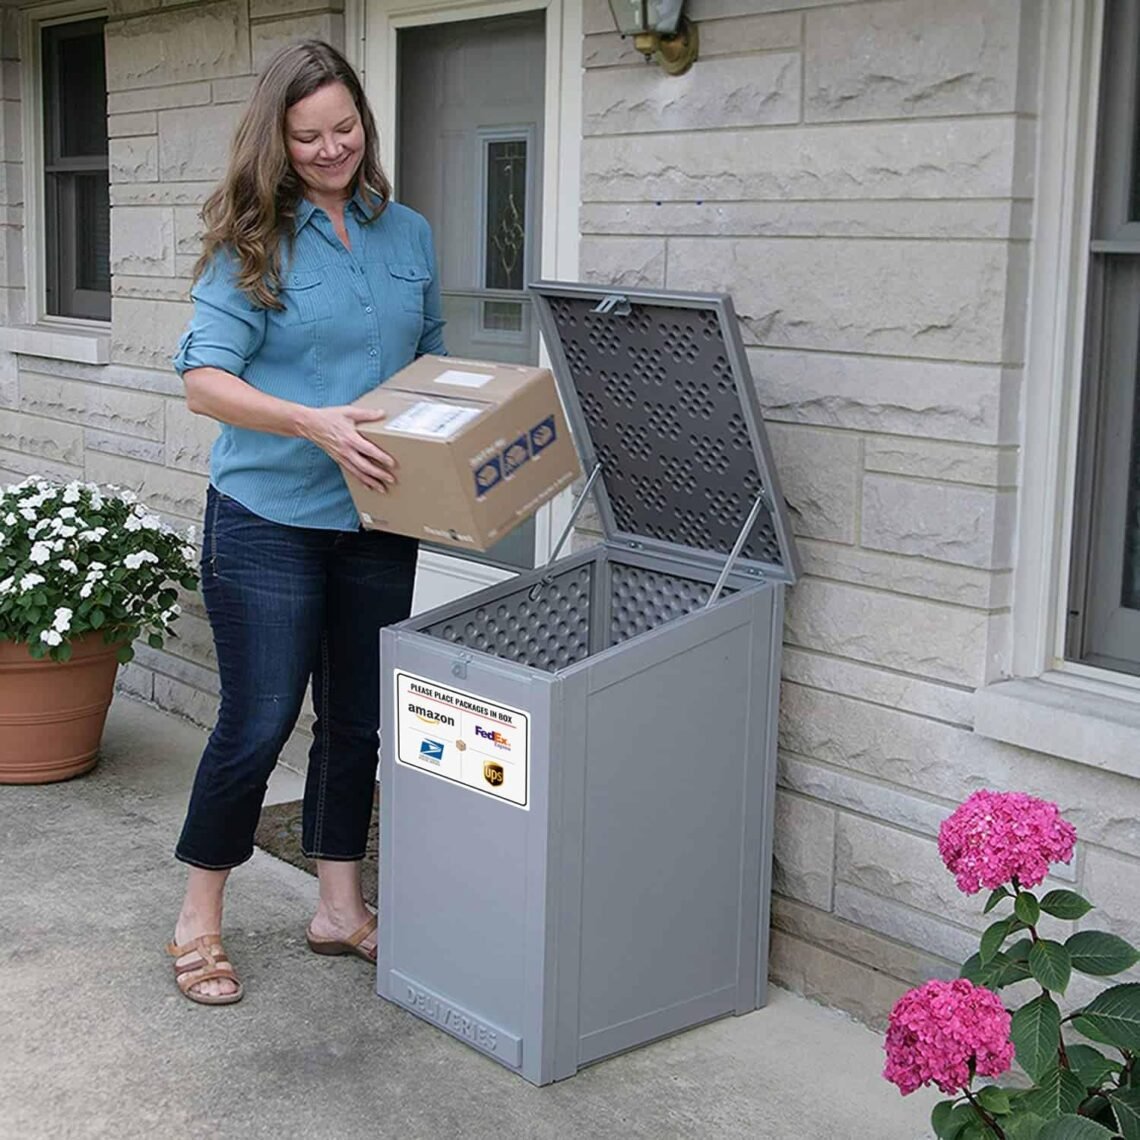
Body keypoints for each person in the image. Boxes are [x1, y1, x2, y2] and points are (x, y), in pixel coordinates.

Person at [167, 39, 444, 1005]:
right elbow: (203, 380)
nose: (330, 149)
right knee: (257, 720)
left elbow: (433, 358)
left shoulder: (406, 233)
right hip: (267, 517)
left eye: (344, 129)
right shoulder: (253, 240)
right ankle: (200, 915)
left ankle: (338, 906)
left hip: (376, 516)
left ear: (364, 123)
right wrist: (311, 423)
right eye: (307, 136)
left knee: (360, 720)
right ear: (276, 141)